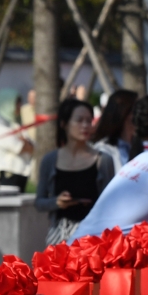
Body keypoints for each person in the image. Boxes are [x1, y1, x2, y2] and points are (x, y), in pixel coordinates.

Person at [36, 98, 118, 245]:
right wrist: (57, 202)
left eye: (89, 121)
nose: (85, 125)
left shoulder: (103, 160)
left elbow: (111, 203)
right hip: (59, 238)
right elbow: (39, 202)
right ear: (64, 124)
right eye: (79, 120)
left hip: (92, 238)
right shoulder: (50, 160)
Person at [92, 89, 139, 167]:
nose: (141, 114)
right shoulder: (103, 150)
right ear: (125, 113)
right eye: (137, 110)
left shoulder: (140, 146)